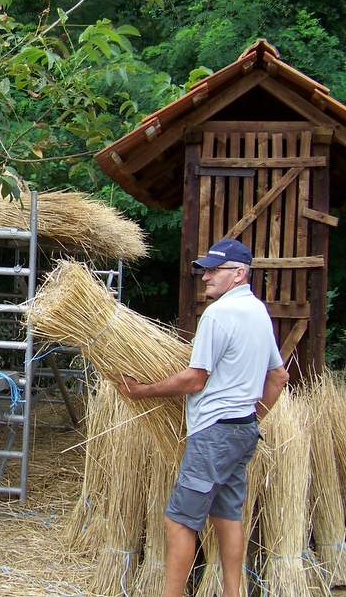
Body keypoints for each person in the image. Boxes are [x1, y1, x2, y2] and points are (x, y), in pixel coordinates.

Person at [118, 237, 290, 597]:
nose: (206, 276)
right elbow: (278, 376)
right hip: (242, 432)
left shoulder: (218, 314)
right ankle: (233, 593)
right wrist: (251, 417)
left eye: (215, 269)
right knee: (228, 516)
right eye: (205, 269)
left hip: (213, 435)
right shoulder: (259, 312)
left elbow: (195, 378)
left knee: (179, 520)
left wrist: (141, 390)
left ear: (239, 273)